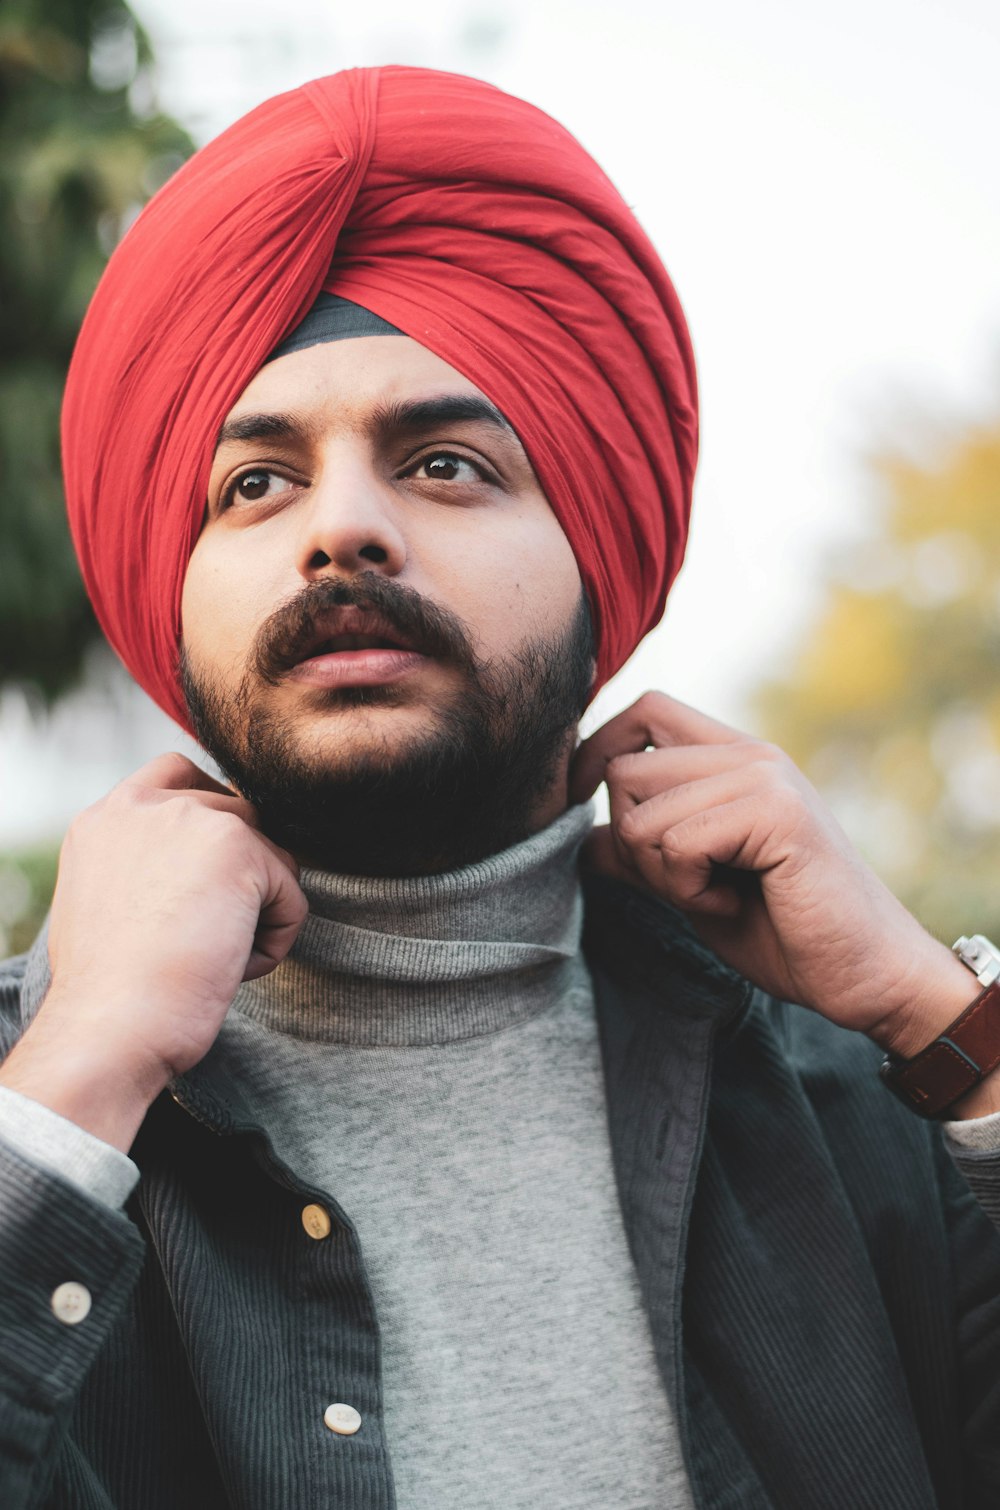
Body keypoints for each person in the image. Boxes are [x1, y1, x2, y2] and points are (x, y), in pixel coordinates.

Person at [0, 65, 998, 1510]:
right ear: (171, 578)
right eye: (256, 485)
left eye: (448, 461)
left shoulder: (859, 1102)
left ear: (605, 550)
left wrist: (941, 1017)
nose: (342, 528)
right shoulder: (40, 1095)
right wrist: (83, 1064)